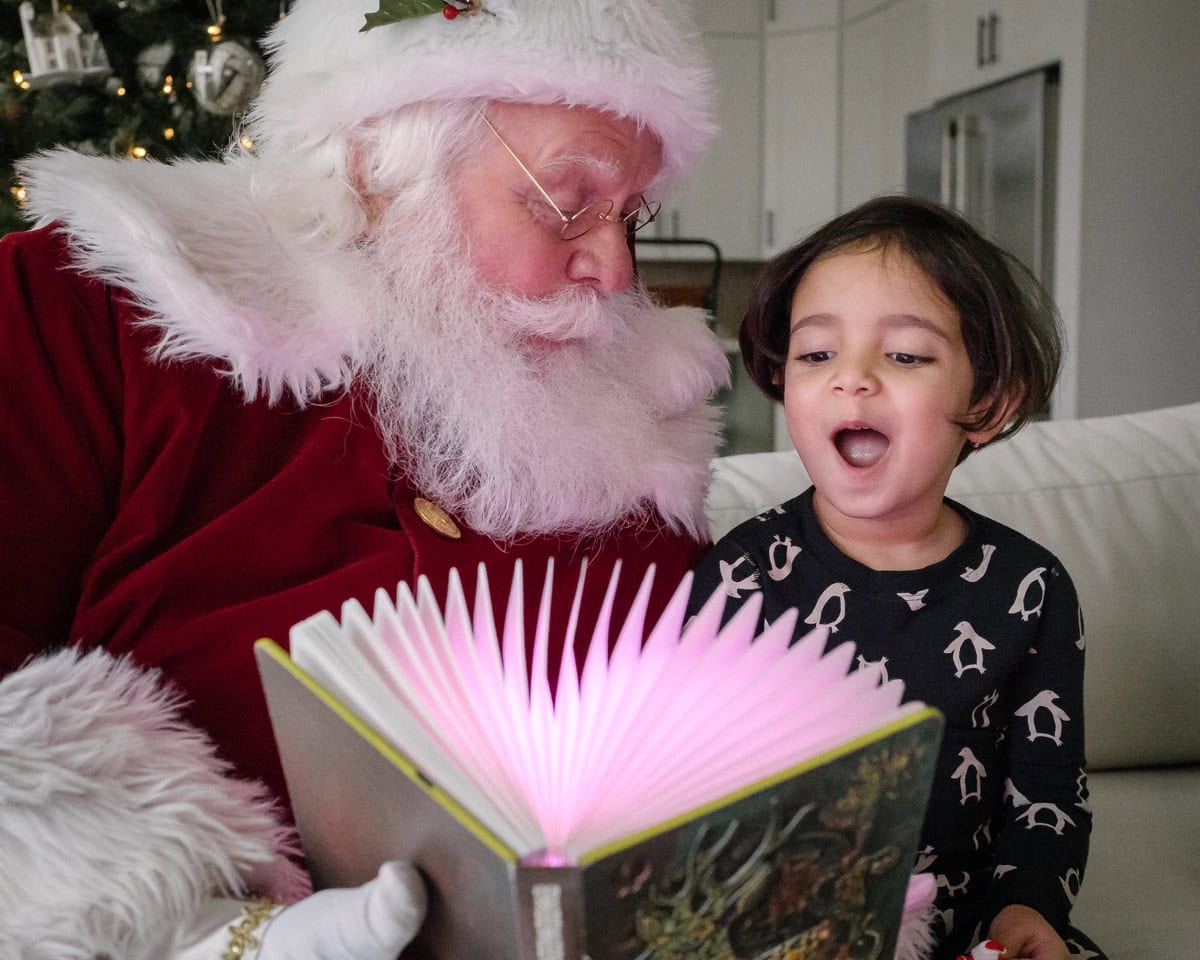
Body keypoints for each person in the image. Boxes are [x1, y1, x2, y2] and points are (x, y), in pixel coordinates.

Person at [0, 1, 730, 957]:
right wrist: (203, 928)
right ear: (379, 164)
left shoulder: (639, 438)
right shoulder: (97, 306)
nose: (613, 263)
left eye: (631, 214)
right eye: (567, 200)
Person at [687, 196, 1106, 960]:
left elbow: (1047, 799)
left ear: (986, 401)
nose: (852, 379)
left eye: (906, 355)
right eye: (816, 355)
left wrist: (1027, 909)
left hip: (967, 935)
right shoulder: (743, 574)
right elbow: (690, 789)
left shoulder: (1033, 589)